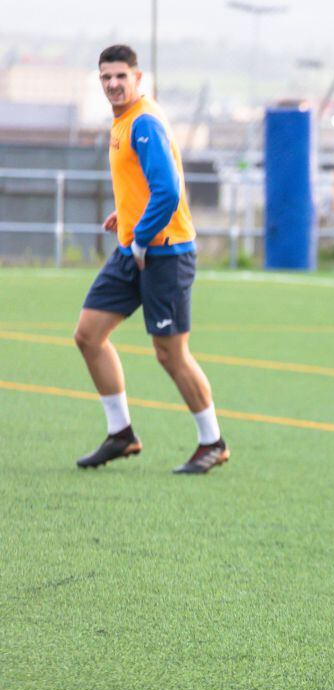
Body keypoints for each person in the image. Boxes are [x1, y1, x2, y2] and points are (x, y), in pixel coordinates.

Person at [74, 45, 228, 474]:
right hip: (134, 248)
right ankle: (120, 434)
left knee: (171, 354)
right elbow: (142, 184)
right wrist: (126, 214)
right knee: (88, 335)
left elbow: (168, 192)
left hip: (165, 253)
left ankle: (212, 441)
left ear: (138, 79)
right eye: (106, 78)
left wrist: (140, 237)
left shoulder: (143, 122)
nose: (113, 84)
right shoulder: (122, 121)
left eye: (121, 76)